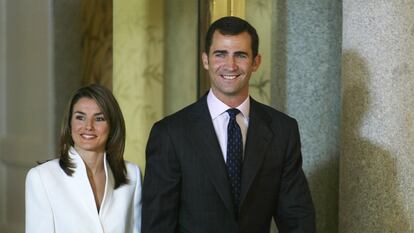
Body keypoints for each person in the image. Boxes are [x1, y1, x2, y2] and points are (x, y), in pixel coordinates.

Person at [142, 16, 315, 233]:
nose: (230, 65)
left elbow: (297, 218)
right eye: (220, 54)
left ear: (256, 62)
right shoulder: (170, 133)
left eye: (240, 55)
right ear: (205, 60)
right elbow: (157, 225)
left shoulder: (283, 130)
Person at [25, 84, 142, 233]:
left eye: (99, 118)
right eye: (80, 117)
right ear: (70, 123)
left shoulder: (132, 175)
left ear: (112, 125)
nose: (88, 126)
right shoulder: (41, 177)